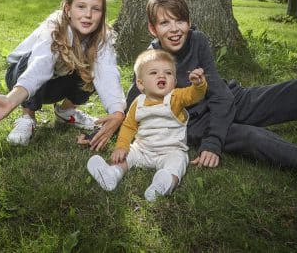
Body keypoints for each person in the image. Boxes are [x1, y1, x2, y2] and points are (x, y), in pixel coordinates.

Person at [126, 0, 297, 170]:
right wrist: (212, 141)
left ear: (189, 21)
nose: (174, 30)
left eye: (180, 21)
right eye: (164, 23)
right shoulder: (149, 60)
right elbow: (133, 105)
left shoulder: (198, 40)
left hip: (226, 97)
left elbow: (220, 95)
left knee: (282, 94)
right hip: (195, 121)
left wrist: (213, 141)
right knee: (251, 137)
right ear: (152, 29)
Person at [0, 0, 126, 150]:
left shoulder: (102, 37)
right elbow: (40, 65)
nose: (88, 14)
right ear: (68, 9)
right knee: (31, 59)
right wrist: (10, 100)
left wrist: (117, 113)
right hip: (21, 81)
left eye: (95, 9)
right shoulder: (54, 27)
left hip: (56, 85)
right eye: (81, 6)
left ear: (102, 14)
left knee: (93, 68)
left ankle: (66, 112)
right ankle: (27, 118)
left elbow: (107, 74)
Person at [87, 49, 207, 201]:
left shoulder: (176, 97)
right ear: (141, 83)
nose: (162, 75)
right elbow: (129, 127)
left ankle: (164, 183)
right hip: (142, 150)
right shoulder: (138, 103)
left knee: (178, 161)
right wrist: (121, 146)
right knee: (126, 155)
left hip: (169, 151)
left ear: (175, 82)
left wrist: (198, 85)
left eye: (168, 73)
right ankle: (113, 174)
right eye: (154, 73)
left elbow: (194, 95)